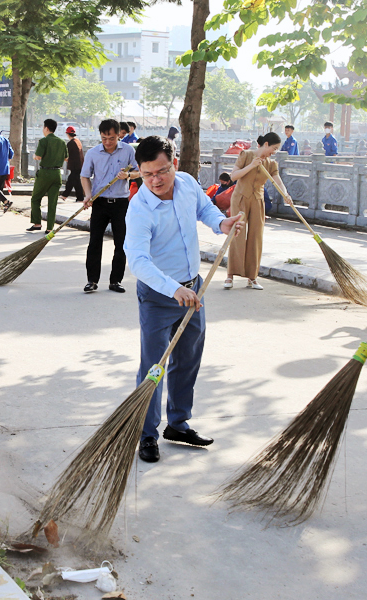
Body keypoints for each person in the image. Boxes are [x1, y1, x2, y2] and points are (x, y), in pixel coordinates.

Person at [124, 136, 244, 463]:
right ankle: (147, 434)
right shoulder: (140, 208)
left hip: (194, 288)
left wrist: (221, 222)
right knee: (154, 366)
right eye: (147, 174)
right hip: (160, 295)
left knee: (188, 356)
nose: (156, 180)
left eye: (162, 171)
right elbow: (137, 260)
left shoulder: (188, 183)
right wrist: (172, 289)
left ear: (174, 163)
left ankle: (178, 422)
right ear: (140, 173)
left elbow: (204, 208)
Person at [224, 132, 292, 290]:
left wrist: (286, 194)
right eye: (273, 148)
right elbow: (233, 176)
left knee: (256, 237)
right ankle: (230, 275)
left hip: (257, 200)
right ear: (266, 144)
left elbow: (278, 181)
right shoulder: (246, 155)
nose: (273, 152)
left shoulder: (271, 164)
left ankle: (252, 277)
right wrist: (252, 165)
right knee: (237, 234)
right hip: (240, 198)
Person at [80, 118, 139, 293]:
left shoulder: (128, 150)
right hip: (100, 202)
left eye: (111, 138)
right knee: (95, 242)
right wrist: (88, 195)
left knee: (121, 243)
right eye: (104, 138)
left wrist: (128, 176)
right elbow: (85, 176)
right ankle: (92, 280)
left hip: (120, 203)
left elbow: (140, 171)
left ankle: (115, 281)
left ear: (119, 135)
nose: (108, 142)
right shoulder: (93, 153)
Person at [28, 119, 68, 232]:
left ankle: (37, 223)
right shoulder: (62, 142)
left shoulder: (44, 141)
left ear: (46, 128)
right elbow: (66, 158)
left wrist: (34, 156)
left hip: (45, 173)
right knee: (53, 201)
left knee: (36, 198)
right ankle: (50, 228)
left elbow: (38, 156)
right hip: (57, 174)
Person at [60, 126, 84, 202]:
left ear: (67, 134)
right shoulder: (78, 141)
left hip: (74, 165)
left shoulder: (71, 143)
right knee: (76, 182)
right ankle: (79, 198)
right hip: (79, 164)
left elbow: (67, 154)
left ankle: (65, 195)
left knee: (71, 180)